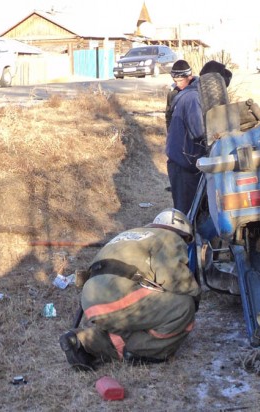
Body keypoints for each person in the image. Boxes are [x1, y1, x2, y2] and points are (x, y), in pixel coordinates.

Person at [59, 208, 201, 370]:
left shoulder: (131, 234)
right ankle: (144, 351)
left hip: (90, 299)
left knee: (132, 323)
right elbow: (175, 278)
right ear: (182, 233)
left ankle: (83, 341)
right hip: (120, 295)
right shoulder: (169, 237)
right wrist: (195, 297)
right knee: (184, 306)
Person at [166, 60, 232, 214]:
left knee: (193, 211)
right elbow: (199, 132)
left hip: (184, 161)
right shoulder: (193, 99)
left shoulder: (193, 95)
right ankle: (186, 238)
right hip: (184, 165)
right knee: (188, 214)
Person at [165, 60, 195, 130]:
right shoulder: (172, 94)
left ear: (190, 76)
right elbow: (169, 118)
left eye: (181, 81)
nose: (178, 84)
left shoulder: (198, 93)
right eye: (175, 81)